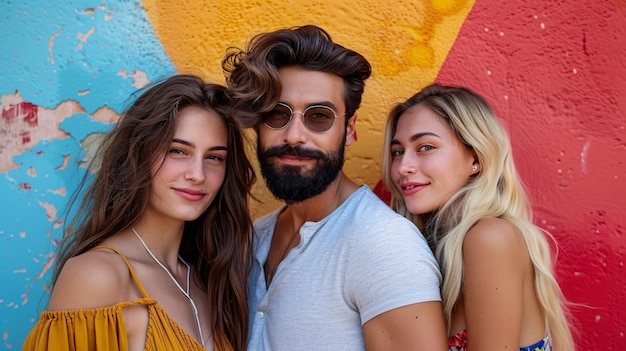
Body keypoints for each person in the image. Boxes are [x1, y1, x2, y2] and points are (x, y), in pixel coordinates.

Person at [222, 25, 447, 351]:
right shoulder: (256, 236)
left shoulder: (384, 246)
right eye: (276, 114)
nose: (294, 135)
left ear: (349, 129)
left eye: (319, 116)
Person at [23, 74, 255, 351]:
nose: (197, 174)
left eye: (214, 157)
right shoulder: (98, 275)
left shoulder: (209, 282)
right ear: (140, 155)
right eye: (178, 151)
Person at [381, 83, 575, 351]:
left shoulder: (489, 237)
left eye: (425, 147)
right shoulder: (429, 248)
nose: (403, 167)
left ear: (476, 157)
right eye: (397, 152)